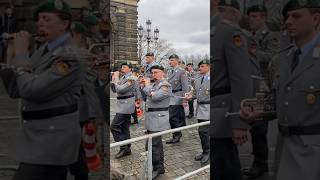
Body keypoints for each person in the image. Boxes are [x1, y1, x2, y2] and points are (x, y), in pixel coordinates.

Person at [0, 0, 85, 179]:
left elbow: (33, 91)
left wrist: (22, 54)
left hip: (53, 139)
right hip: (37, 136)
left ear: (64, 24)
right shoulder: (43, 50)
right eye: (38, 19)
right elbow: (17, 91)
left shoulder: (69, 56)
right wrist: (10, 57)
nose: (40, 23)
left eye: (46, 19)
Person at [241, 1, 320, 179]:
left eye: (296, 16)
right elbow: (278, 98)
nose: (289, 21)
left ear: (315, 18)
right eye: (287, 16)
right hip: (284, 148)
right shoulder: (283, 58)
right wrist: (257, 111)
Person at [211, 0, 253, 179]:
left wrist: (239, 122)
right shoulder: (211, 31)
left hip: (222, 114)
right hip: (211, 112)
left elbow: (241, 79)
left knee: (225, 167)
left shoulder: (229, 32)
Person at [139, 65, 172, 179]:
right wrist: (143, 87)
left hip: (158, 117)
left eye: (156, 72)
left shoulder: (165, 85)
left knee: (154, 144)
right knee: (153, 143)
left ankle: (158, 167)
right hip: (151, 116)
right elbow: (146, 98)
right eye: (152, 73)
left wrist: (147, 87)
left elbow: (156, 97)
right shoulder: (154, 85)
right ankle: (158, 166)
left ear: (163, 73)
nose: (153, 75)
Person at [110, 62, 138, 159]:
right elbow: (114, 90)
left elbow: (121, 90)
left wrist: (116, 79)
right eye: (122, 67)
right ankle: (127, 149)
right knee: (124, 127)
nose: (123, 68)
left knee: (114, 126)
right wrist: (113, 79)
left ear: (130, 69)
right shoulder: (122, 78)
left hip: (127, 105)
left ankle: (123, 147)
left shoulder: (132, 78)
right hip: (121, 104)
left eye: (125, 67)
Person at [185, 60, 210, 165]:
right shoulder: (198, 79)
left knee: (203, 131)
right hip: (200, 108)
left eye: (202, 66)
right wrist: (190, 96)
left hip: (209, 108)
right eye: (199, 66)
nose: (200, 68)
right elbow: (195, 93)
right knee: (203, 131)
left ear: (209, 67)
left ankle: (207, 152)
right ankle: (205, 151)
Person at [166, 54, 189, 144]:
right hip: (171, 96)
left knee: (173, 117)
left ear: (177, 60)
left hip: (178, 96)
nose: (170, 62)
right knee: (173, 117)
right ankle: (176, 134)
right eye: (170, 60)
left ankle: (177, 134)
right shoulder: (169, 71)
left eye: (172, 60)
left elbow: (185, 87)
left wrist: (184, 99)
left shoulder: (181, 71)